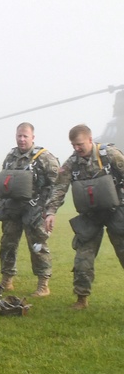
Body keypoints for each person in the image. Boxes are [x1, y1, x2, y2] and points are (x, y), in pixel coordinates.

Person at [44, 124, 124, 309]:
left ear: (90, 139)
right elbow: (59, 188)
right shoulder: (72, 163)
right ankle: (81, 299)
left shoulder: (110, 155)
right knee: (82, 259)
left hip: (116, 212)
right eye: (73, 145)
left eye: (79, 144)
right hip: (90, 216)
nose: (76, 148)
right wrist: (51, 212)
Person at [0, 123, 60, 296]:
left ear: (33, 137)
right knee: (7, 244)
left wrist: (48, 209)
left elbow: (57, 184)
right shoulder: (11, 156)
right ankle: (6, 280)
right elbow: (4, 179)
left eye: (25, 136)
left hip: (35, 211)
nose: (22, 139)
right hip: (12, 209)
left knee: (38, 246)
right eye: (19, 136)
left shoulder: (44, 157)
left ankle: (43, 285)